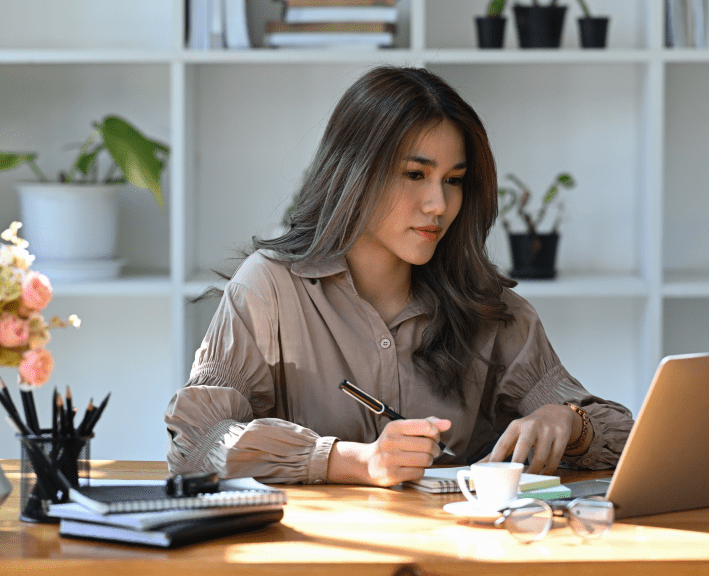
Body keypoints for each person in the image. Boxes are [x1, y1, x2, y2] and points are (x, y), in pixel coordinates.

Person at [164, 66, 633, 487]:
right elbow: (198, 443)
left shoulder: (487, 305)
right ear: (356, 173)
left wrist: (567, 420)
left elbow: (628, 438)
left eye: (453, 180)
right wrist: (351, 460)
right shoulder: (269, 289)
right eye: (415, 174)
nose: (439, 204)